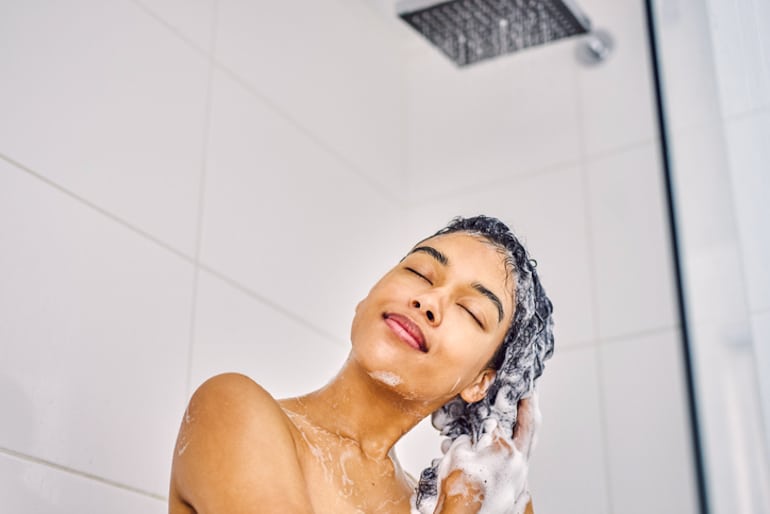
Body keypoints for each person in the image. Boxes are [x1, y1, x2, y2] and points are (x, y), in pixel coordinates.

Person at [169, 215, 554, 514]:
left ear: (480, 383)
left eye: (470, 310)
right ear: (367, 299)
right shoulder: (233, 411)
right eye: (419, 272)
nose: (428, 301)